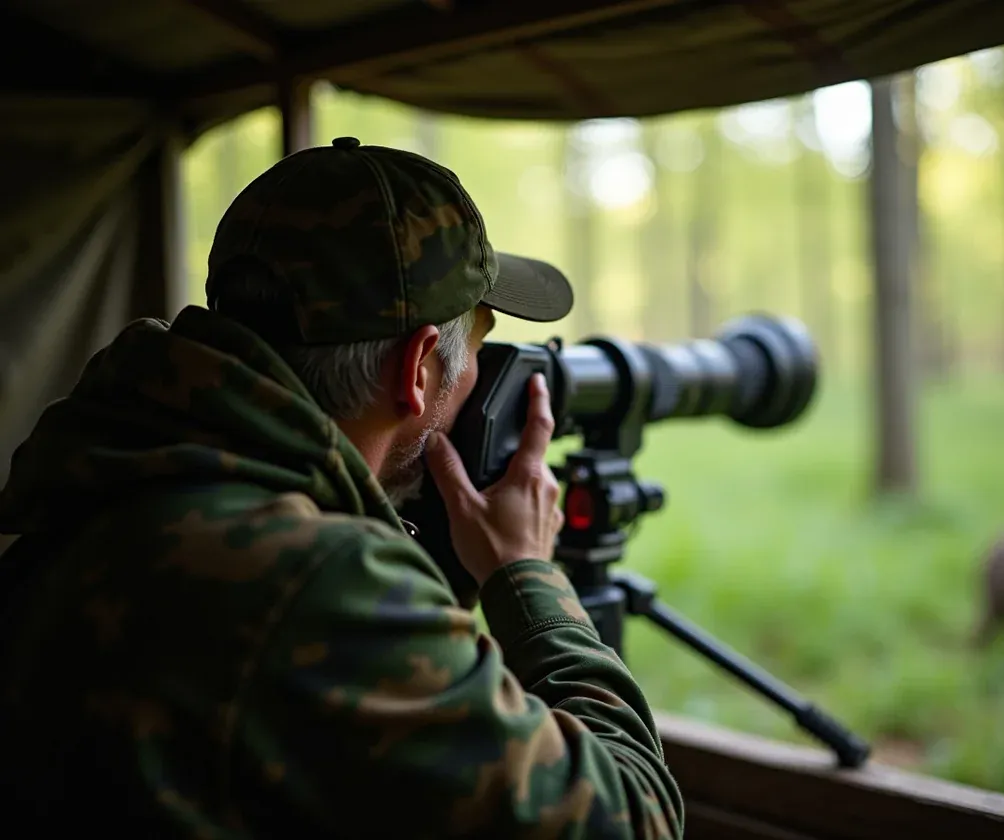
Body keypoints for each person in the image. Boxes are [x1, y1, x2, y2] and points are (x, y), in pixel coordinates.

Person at [0, 137, 685, 839]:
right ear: (418, 368)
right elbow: (634, 820)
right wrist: (526, 574)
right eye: (479, 341)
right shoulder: (316, 577)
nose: (478, 369)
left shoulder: (109, 477)